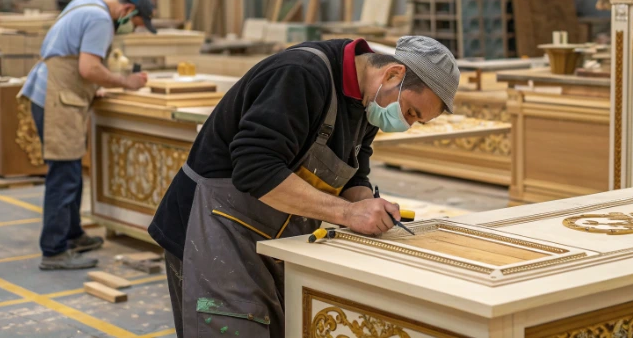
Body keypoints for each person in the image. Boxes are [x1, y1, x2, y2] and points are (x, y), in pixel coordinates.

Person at [149, 36, 459, 337]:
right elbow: (256, 170)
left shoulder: (368, 103)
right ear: (393, 74)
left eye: (417, 121)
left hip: (271, 235)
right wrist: (349, 214)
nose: (405, 124)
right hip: (212, 230)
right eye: (409, 112)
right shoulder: (302, 74)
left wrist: (370, 207)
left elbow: (353, 175)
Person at [20, 0, 158, 270]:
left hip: (54, 92)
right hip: (57, 98)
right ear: (128, 10)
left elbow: (74, 57)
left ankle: (73, 236)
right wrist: (125, 81)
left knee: (71, 172)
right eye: (136, 23)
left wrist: (97, 86)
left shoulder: (87, 1)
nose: (132, 29)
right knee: (64, 174)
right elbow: (87, 68)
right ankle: (54, 251)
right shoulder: (100, 20)